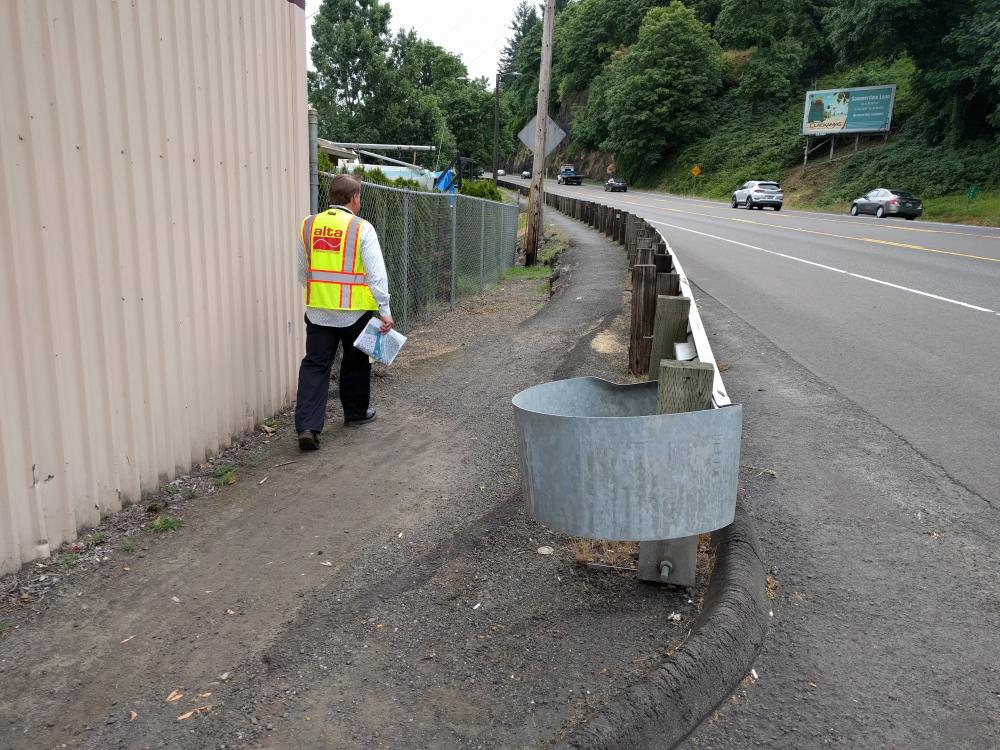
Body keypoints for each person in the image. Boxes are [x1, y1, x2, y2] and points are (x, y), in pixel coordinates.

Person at [294, 174, 393, 450]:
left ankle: (308, 426)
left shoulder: (308, 225)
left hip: (318, 312)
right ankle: (355, 413)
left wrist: (322, 293)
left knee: (315, 365)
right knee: (356, 361)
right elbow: (376, 275)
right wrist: (384, 310)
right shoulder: (362, 228)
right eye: (359, 196)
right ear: (354, 198)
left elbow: (303, 272)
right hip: (353, 312)